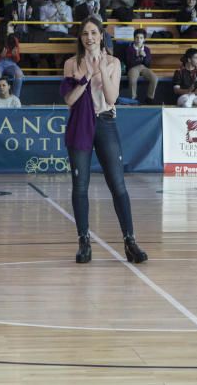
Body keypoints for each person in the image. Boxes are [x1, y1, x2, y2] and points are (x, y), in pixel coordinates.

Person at [61, 16, 147, 265]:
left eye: (93, 33)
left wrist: (100, 71)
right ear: (80, 37)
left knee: (118, 185)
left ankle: (130, 241)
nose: (89, 38)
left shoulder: (113, 62)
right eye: (85, 33)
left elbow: (111, 98)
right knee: (80, 186)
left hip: (105, 122)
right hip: (80, 124)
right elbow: (69, 100)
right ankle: (84, 242)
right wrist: (86, 76)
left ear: (101, 36)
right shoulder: (71, 64)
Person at [125, 29, 158, 104]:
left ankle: (150, 98)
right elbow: (129, 63)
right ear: (134, 38)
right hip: (133, 68)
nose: (139, 40)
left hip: (143, 67)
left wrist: (145, 56)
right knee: (132, 80)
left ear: (144, 39)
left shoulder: (146, 49)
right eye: (137, 37)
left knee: (155, 78)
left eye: (141, 38)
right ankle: (133, 98)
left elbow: (148, 64)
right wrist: (137, 56)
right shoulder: (129, 48)